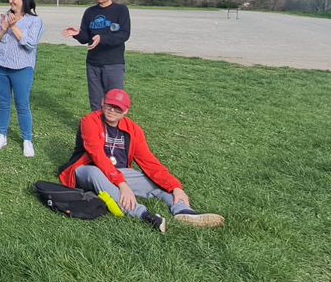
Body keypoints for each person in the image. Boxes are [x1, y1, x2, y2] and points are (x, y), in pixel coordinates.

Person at [57, 89, 224, 233]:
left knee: (158, 185)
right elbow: (97, 156)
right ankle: (143, 214)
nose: (112, 110)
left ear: (126, 111)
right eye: (109, 105)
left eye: (118, 108)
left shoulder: (133, 130)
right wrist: (123, 186)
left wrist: (175, 187)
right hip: (86, 169)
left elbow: (149, 162)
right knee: (95, 172)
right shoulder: (90, 121)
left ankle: (183, 211)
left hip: (118, 173)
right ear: (102, 103)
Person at [0, 0, 45, 157]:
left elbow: (30, 43)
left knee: (22, 104)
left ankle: (27, 139)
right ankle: (1, 134)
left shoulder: (35, 21)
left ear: (24, 0)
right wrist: (4, 28)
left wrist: (13, 27)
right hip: (1, 66)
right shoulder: (3, 18)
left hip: (22, 68)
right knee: (3, 103)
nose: (10, 1)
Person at [63, 0, 131, 112]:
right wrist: (77, 34)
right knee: (95, 102)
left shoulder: (120, 10)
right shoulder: (90, 12)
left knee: (114, 101)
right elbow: (86, 38)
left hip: (113, 64)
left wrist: (102, 38)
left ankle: (112, 130)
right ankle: (96, 130)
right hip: (93, 63)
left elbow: (124, 34)